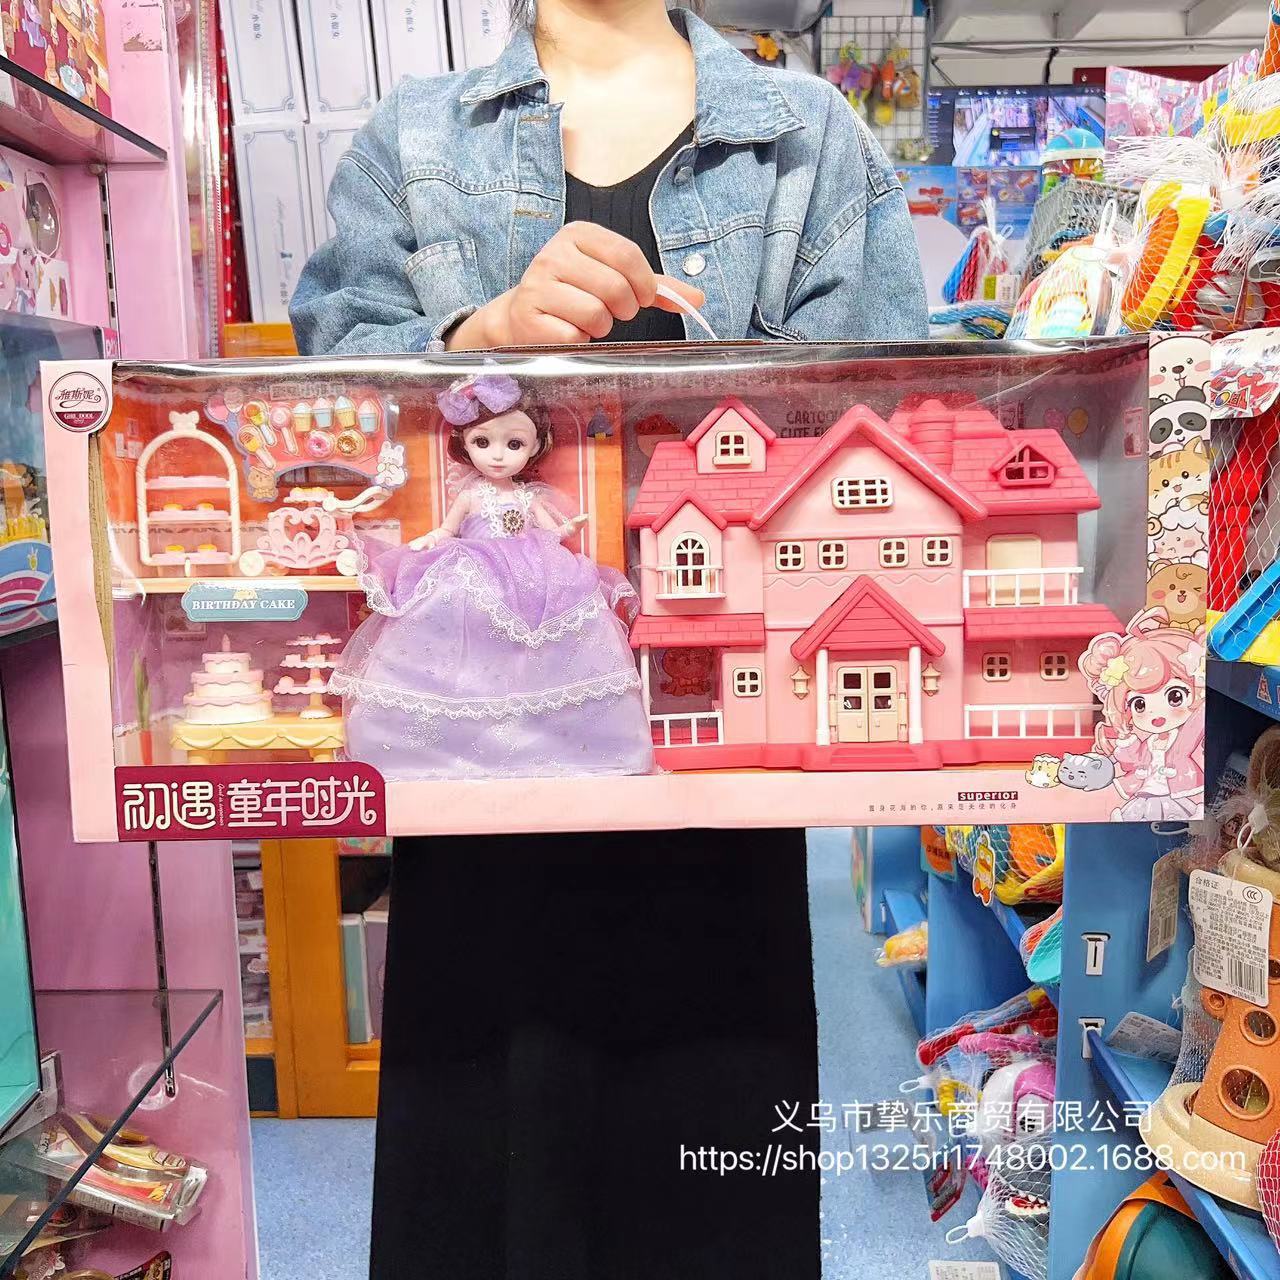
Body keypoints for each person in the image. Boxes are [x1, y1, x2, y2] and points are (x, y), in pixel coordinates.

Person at [292, 4, 927, 1278]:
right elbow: (329, 394)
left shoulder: (806, 136)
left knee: (710, 1186)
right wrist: (478, 339)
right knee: (486, 1183)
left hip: (717, 770)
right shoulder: (414, 137)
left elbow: (886, 414)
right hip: (477, 767)